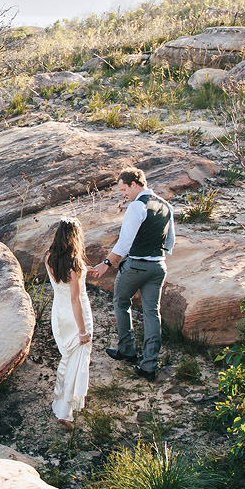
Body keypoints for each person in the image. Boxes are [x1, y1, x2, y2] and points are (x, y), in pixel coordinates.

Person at [89, 167, 174, 382]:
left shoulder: (138, 206)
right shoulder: (166, 206)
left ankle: (127, 350)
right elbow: (170, 241)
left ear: (134, 184)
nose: (124, 194)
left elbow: (125, 243)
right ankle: (149, 366)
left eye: (124, 189)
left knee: (121, 302)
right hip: (158, 267)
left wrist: (106, 263)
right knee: (152, 313)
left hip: (136, 266)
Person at [45, 217, 92, 430]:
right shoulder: (75, 264)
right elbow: (75, 298)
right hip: (76, 315)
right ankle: (65, 411)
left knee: (67, 358)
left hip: (59, 314)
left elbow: (63, 284)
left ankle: (60, 401)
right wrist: (82, 330)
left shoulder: (49, 257)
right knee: (77, 360)